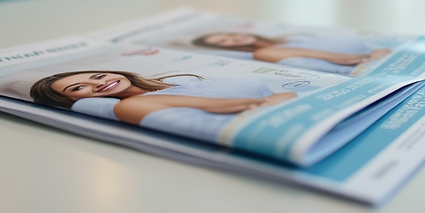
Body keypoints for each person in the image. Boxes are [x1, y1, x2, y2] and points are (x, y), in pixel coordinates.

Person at [30, 70, 296, 142]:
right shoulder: (132, 105)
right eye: (78, 89)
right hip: (277, 126)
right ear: (69, 101)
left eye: (97, 76)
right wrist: (281, 98)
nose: (98, 84)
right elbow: (233, 106)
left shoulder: (178, 81)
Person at [190, 32, 392, 75]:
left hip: (382, 53)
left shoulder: (293, 37)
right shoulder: (265, 53)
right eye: (224, 41)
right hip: (361, 67)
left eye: (227, 35)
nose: (232, 38)